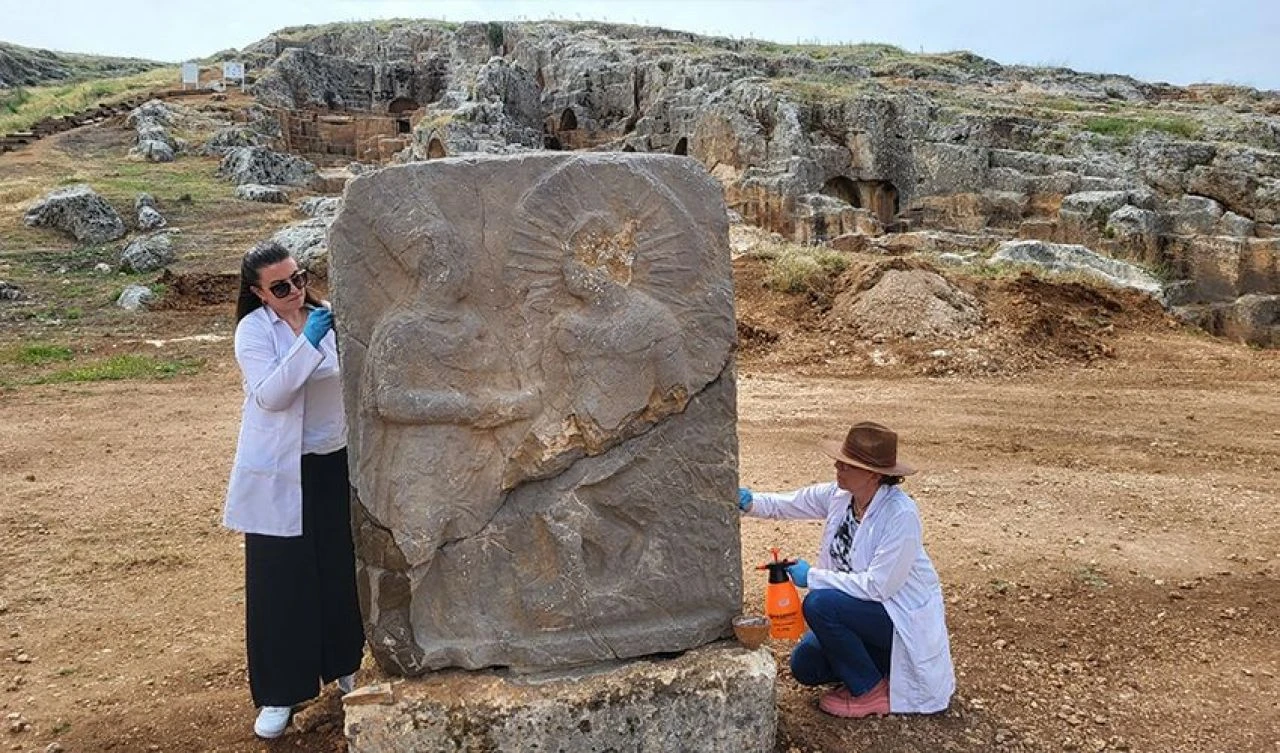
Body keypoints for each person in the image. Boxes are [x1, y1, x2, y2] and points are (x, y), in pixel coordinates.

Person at [223, 242, 366, 739]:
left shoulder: (325, 317)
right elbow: (272, 395)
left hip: (333, 462)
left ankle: (346, 665)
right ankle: (280, 692)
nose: (294, 291)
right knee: (280, 581)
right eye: (281, 286)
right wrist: (307, 342)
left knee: (338, 568)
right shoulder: (254, 330)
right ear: (259, 292)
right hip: (283, 471)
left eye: (299, 278)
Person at [738, 421, 954, 718]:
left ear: (874, 474)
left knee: (820, 604)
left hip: (894, 616)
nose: (838, 466)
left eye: (848, 464)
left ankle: (870, 691)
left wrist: (812, 577)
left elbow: (878, 587)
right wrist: (751, 503)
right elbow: (792, 503)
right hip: (862, 614)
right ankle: (880, 671)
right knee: (806, 665)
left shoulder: (900, 515)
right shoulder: (841, 496)